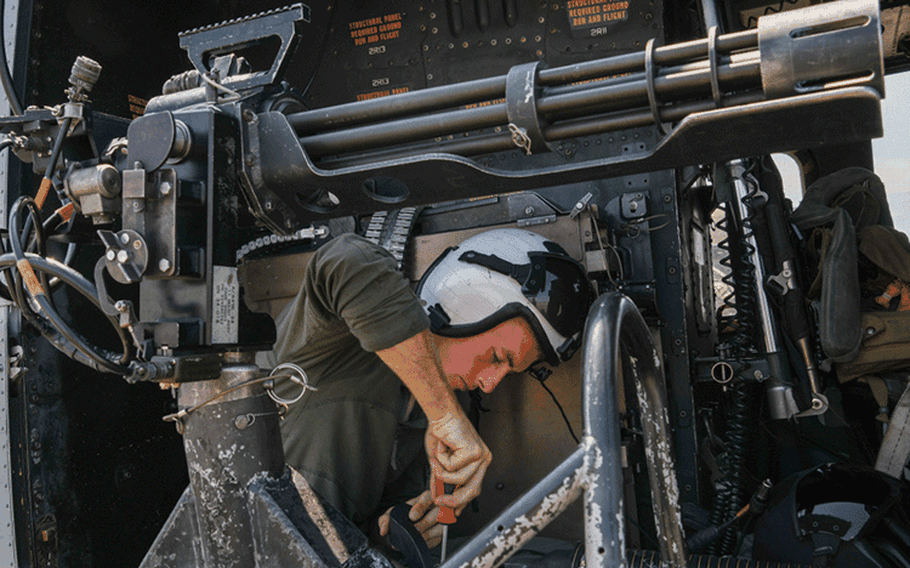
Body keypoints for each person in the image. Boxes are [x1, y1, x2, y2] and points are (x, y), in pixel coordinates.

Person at [269, 227, 595, 547]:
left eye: (508, 373)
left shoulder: (451, 408)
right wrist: (443, 413)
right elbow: (348, 261)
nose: (490, 383)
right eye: (496, 357)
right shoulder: (336, 338)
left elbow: (362, 529)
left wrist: (405, 527)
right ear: (464, 304)